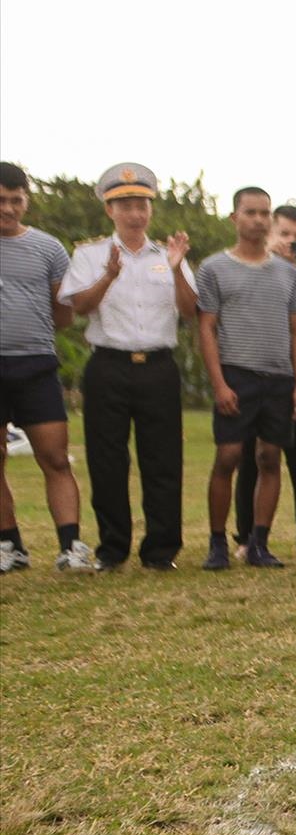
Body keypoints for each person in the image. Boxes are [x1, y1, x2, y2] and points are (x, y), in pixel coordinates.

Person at [59, 163, 196, 570]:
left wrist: (176, 270)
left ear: (150, 210)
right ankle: (112, 549)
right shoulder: (89, 254)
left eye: (142, 204)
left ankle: (160, 551)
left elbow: (190, 310)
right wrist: (108, 276)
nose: (136, 213)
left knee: (163, 459)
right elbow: (79, 307)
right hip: (109, 366)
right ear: (110, 211)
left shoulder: (168, 254)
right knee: (107, 460)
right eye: (126, 205)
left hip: (158, 366)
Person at [195, 188, 296, 570]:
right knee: (228, 456)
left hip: (277, 377)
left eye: (264, 213)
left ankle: (259, 542)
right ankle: (217, 544)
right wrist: (219, 384)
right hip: (236, 374)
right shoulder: (213, 268)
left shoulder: (287, 272)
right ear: (235, 217)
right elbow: (206, 328)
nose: (258, 220)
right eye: (250, 212)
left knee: (270, 457)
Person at [0, 161, 96, 573]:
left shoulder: (49, 248)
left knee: (55, 457)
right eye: (1, 201)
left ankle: (71, 546)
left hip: (36, 364)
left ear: (27, 200)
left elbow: (64, 314)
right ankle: (10, 547)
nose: (8, 209)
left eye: (16, 200)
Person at [236, 205, 296, 557]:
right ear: (271, 234)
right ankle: (247, 538)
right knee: (255, 459)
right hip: (261, 375)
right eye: (286, 235)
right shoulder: (258, 268)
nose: (293, 242)